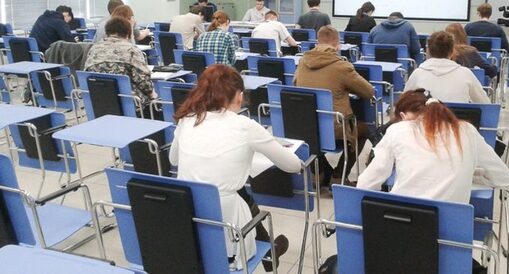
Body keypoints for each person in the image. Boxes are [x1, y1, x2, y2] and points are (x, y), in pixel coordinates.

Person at [170, 64, 301, 271]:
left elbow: (174, 160)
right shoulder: (245, 126)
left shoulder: (188, 119)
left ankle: (269, 252)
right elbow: (293, 165)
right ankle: (268, 252)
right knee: (236, 192)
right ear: (239, 96)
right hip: (230, 230)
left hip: (187, 220)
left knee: (234, 190)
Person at [357, 89, 509, 203]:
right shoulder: (467, 131)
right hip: (453, 234)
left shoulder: (398, 130)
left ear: (403, 117)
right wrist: (469, 174)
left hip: (401, 226)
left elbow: (367, 183)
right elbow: (505, 179)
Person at [295, 25, 374, 185]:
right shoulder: (342, 66)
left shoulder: (303, 61)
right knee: (364, 130)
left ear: (317, 43)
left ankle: (321, 172)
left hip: (306, 126)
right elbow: (368, 92)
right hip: (335, 129)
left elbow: (295, 84)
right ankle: (339, 176)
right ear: (338, 45)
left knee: (317, 132)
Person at [84, 16, 155, 108]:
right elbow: (143, 81)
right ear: (128, 34)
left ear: (107, 32)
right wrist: (152, 95)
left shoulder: (94, 48)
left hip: (97, 102)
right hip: (129, 103)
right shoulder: (131, 50)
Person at [405, 31, 490, 104]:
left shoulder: (417, 74)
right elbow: (485, 103)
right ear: (452, 52)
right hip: (456, 118)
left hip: (426, 118)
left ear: (428, 51)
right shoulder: (466, 74)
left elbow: (403, 104)